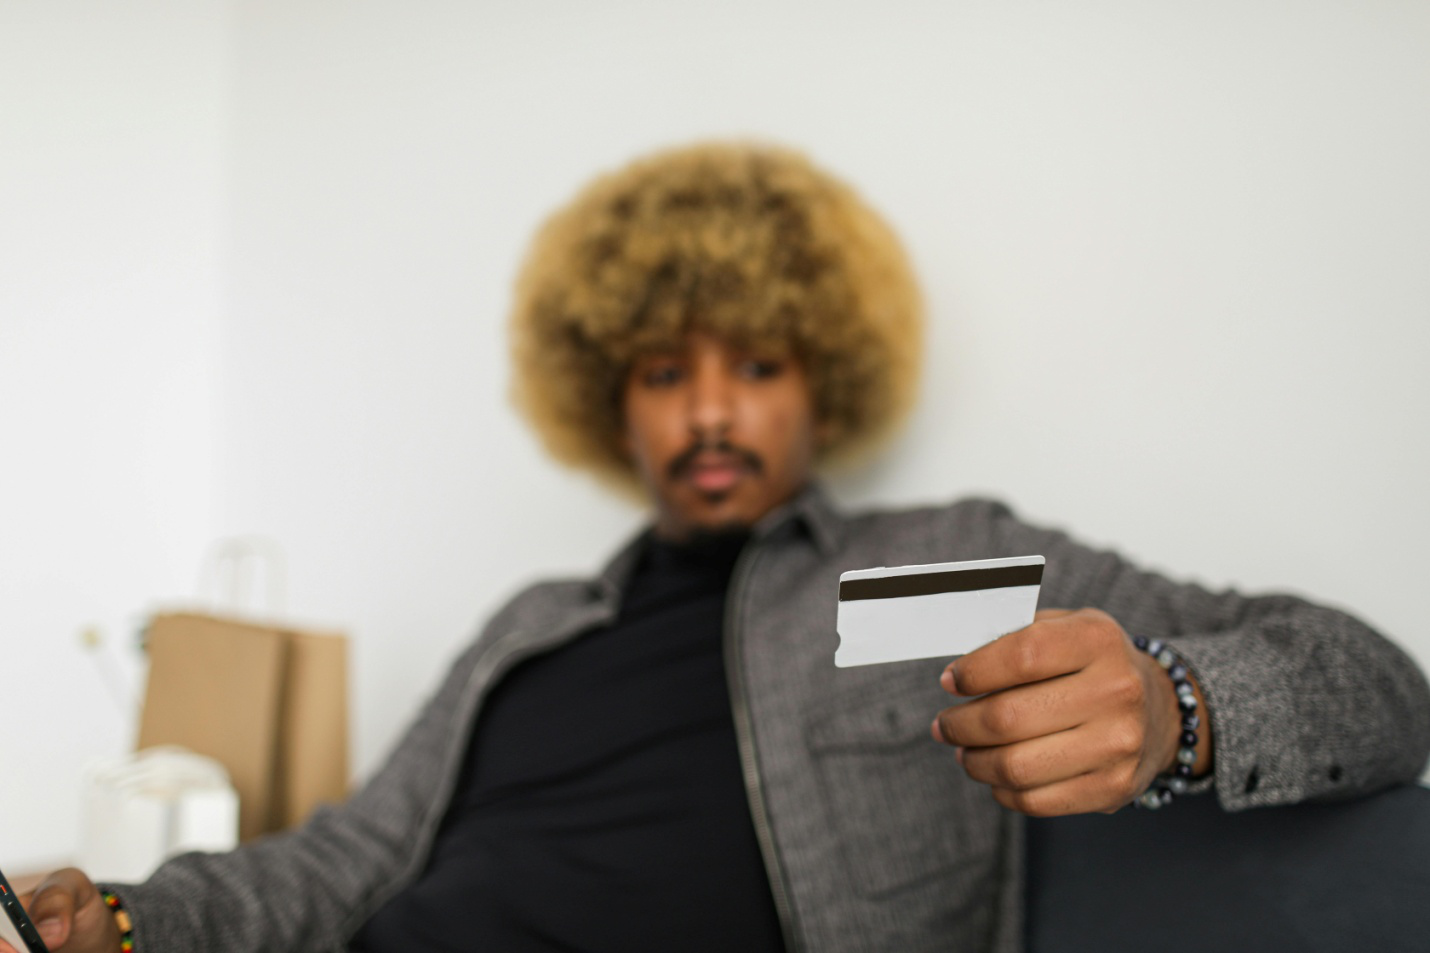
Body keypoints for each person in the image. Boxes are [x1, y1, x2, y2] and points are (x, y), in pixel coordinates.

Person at [9, 142, 1430, 953]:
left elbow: (1377, 685)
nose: (702, 408)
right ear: (603, 401)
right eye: (656, 370)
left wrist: (1178, 709)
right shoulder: (533, 622)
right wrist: (122, 924)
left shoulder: (942, 563)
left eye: (752, 361)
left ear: (825, 377)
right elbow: (341, 863)